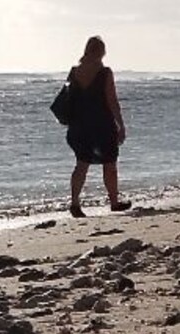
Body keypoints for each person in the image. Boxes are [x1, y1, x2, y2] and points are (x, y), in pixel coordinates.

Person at [65, 36, 131, 217]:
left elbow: (69, 99)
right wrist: (121, 125)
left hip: (79, 125)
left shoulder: (74, 72)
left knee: (81, 165)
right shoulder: (105, 73)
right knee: (110, 164)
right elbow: (112, 101)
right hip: (102, 124)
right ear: (102, 52)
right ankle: (114, 202)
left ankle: (75, 203)